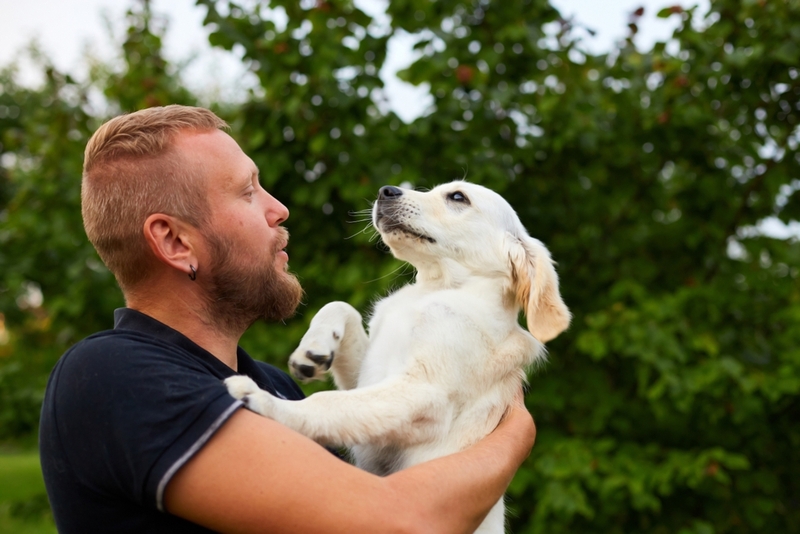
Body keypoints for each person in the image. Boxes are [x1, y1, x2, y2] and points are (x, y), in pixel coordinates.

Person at [39, 105, 536, 533]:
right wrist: (515, 431)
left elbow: (375, 463)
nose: (279, 209)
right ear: (175, 242)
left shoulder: (273, 387)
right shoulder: (112, 376)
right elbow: (398, 522)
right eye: (247, 192)